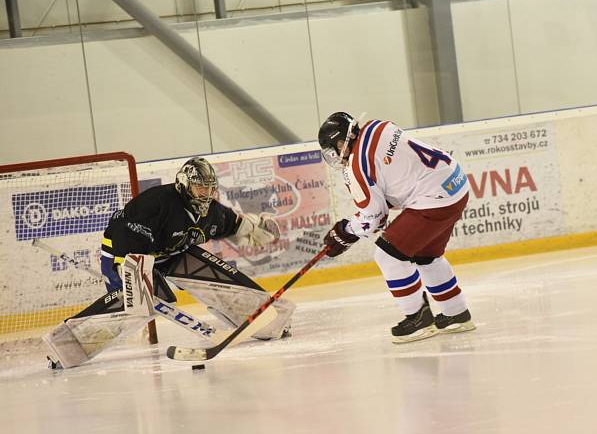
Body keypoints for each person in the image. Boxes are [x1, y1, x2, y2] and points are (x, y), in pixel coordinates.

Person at [44, 157, 293, 369]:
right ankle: (66, 346)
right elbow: (123, 232)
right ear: (185, 185)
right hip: (128, 256)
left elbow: (232, 224)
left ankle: (270, 322)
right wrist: (125, 268)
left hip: (170, 256)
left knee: (212, 273)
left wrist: (254, 229)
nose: (204, 193)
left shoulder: (211, 212)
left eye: (208, 188)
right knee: (136, 303)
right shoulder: (158, 202)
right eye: (199, 188)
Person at [318, 112, 475, 343]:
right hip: (456, 185)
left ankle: (417, 318)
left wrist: (345, 232)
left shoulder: (356, 167)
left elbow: (374, 217)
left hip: (434, 198)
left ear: (342, 142)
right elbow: (394, 180)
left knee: (387, 254)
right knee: (426, 256)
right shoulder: (378, 127)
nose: (335, 156)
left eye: (334, 149)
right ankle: (456, 313)